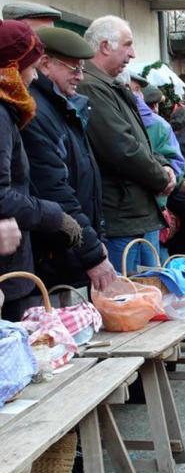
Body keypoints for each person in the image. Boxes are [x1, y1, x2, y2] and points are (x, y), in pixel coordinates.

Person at [21, 26, 117, 291]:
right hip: (54, 255)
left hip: (70, 247)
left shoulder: (62, 106)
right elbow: (55, 190)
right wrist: (92, 252)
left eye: (82, 69)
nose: (79, 76)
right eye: (73, 69)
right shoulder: (38, 111)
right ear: (45, 64)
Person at [77, 15, 174, 275]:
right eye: (127, 45)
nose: (133, 54)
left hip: (137, 213)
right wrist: (161, 178)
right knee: (128, 304)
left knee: (149, 300)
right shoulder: (92, 87)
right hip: (122, 216)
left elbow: (142, 142)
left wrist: (165, 166)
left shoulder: (111, 86)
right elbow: (122, 149)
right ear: (105, 46)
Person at [0, 19, 82, 320]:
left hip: (14, 268)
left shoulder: (8, 111)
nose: (33, 77)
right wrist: (53, 215)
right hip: (7, 273)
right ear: (12, 67)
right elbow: (1, 194)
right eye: (30, 67)